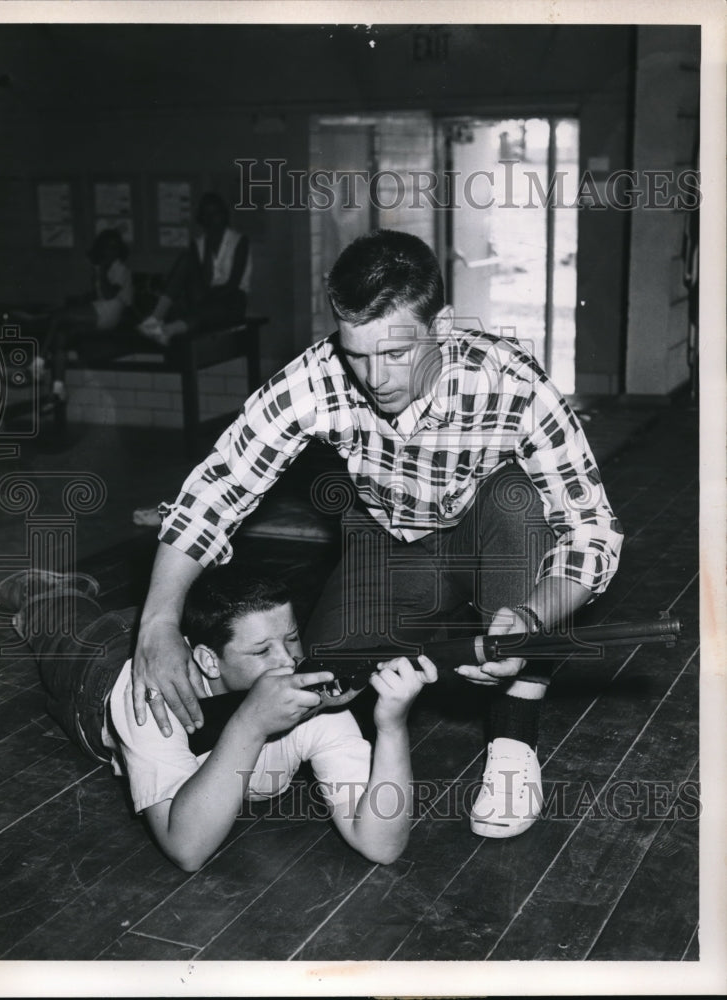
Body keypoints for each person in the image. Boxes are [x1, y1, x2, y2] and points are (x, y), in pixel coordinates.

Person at [131, 229, 624, 840]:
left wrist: (532, 615)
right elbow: (219, 487)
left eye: (395, 353)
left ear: (440, 327)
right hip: (387, 540)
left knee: (518, 498)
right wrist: (157, 622)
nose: (375, 377)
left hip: (490, 535)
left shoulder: (510, 380)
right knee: (328, 683)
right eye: (357, 354)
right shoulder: (318, 377)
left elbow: (591, 528)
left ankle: (513, 739)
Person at [0, 565, 435, 872]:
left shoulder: (311, 699)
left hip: (187, 631)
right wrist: (251, 724)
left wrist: (392, 728)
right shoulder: (151, 700)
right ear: (207, 660)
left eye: (293, 638)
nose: (288, 662)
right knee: (55, 622)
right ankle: (46, 589)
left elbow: (382, 845)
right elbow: (187, 849)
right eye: (262, 651)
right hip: (102, 673)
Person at [29, 228, 133, 404]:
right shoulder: (102, 268)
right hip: (102, 310)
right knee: (61, 337)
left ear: (119, 250)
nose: (110, 252)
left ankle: (38, 362)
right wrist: (81, 299)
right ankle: (58, 389)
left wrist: (101, 272)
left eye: (114, 248)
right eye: (107, 247)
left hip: (111, 312)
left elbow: (109, 295)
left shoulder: (120, 269)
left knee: (58, 316)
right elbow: (98, 295)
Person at [137, 191, 251, 347]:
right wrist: (208, 249)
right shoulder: (199, 244)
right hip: (206, 297)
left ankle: (168, 330)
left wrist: (200, 302)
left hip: (231, 300)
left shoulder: (239, 241)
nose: (212, 218)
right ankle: (155, 318)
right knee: (186, 259)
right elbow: (203, 281)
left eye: (216, 213)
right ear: (202, 219)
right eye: (207, 214)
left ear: (224, 215)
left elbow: (232, 285)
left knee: (201, 310)